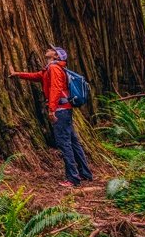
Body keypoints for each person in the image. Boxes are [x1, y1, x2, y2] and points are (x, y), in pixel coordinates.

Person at [9, 45, 93, 187]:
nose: (47, 49)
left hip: (60, 110)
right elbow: (37, 76)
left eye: (52, 50)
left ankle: (73, 178)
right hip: (64, 110)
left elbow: (56, 88)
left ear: (56, 56)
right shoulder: (50, 69)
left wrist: (51, 109)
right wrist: (17, 74)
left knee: (64, 143)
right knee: (73, 142)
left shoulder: (54, 68)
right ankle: (85, 173)